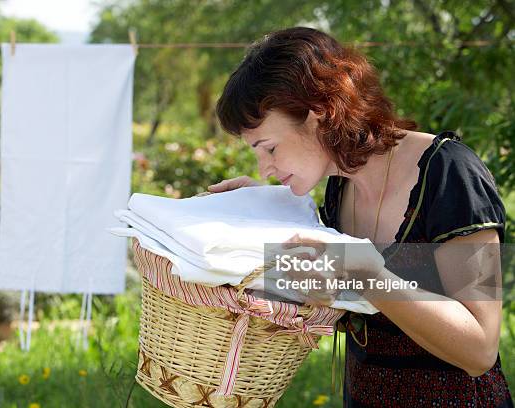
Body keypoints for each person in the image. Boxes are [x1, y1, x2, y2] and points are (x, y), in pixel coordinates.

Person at [208, 27, 513, 407]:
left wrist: (367, 275)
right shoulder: (339, 187)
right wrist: (265, 214)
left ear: (318, 113)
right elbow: (332, 297)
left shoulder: (450, 173)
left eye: (268, 147)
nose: (265, 167)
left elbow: (480, 349)